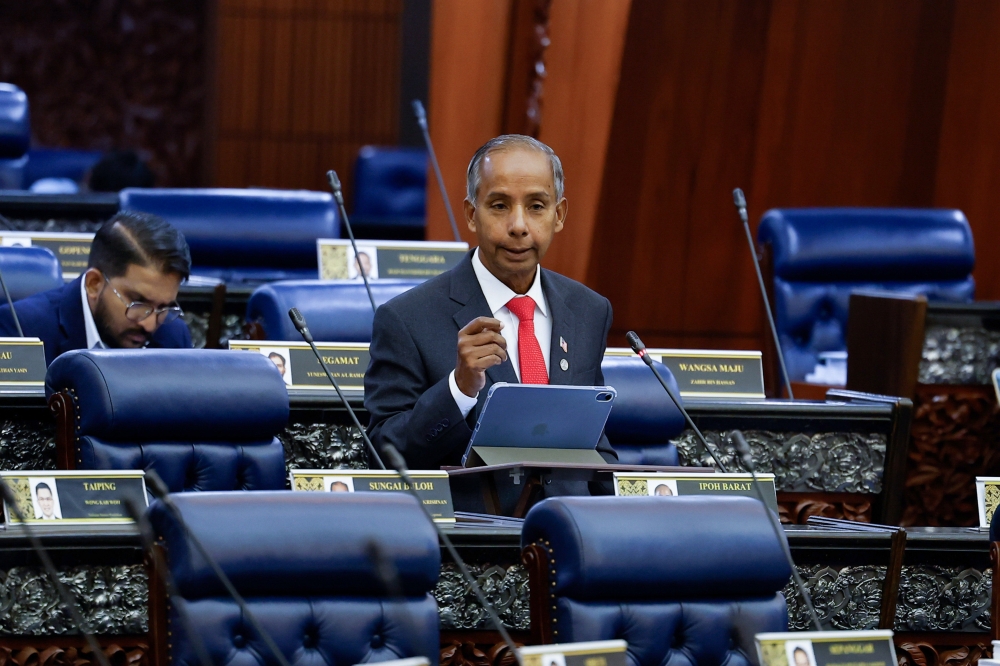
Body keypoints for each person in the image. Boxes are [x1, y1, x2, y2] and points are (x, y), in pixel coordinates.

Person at [365, 135, 617, 472]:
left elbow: (592, 440)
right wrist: (459, 388)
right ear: (471, 214)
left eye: (536, 207)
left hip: (571, 518)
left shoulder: (589, 309)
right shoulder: (406, 318)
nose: (518, 226)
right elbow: (384, 453)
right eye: (499, 206)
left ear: (559, 215)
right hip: (475, 522)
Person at [0, 211, 193, 364]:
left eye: (162, 307)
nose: (150, 324)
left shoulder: (173, 337)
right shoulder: (22, 330)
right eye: (138, 302)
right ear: (94, 284)